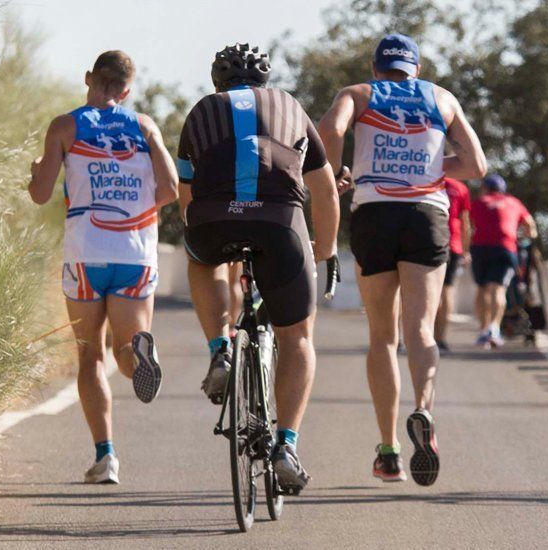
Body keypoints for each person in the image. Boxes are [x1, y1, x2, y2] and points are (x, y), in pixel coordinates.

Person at [318, 34, 486, 485]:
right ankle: (423, 410)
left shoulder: (359, 94)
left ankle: (389, 449)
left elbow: (329, 132)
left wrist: (335, 176)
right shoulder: (441, 97)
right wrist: (431, 166)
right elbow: (476, 164)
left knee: (381, 336)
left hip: (373, 212)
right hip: (427, 215)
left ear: (376, 67)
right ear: (416, 67)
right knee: (421, 330)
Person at [177, 44, 339, 493]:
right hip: (280, 226)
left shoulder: (201, 111)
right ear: (264, 81)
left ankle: (219, 349)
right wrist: (322, 252)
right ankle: (286, 444)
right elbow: (324, 192)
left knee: (200, 256)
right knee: (299, 337)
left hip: (214, 220)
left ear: (217, 82)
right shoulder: (291, 106)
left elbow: (185, 200)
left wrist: (205, 234)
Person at [28, 51, 179, 484]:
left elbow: (40, 195)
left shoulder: (66, 126)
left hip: (85, 253)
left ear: (89, 78)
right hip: (134, 254)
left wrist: (37, 171)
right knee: (124, 350)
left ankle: (106, 456)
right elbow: (168, 190)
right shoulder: (144, 125)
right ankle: (139, 355)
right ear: (127, 91)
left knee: (90, 354)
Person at [469, 174, 537, 348]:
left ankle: (484, 330)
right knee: (498, 289)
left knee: (482, 288)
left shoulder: (479, 202)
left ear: (485, 188)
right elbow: (530, 226)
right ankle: (494, 328)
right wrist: (524, 239)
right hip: (505, 248)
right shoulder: (513, 202)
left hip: (480, 248)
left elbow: (468, 224)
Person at [434, 177, 472, 353]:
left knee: (426, 291)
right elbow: (465, 223)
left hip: (431, 240)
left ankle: (421, 336)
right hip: (453, 244)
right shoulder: (460, 188)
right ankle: (440, 338)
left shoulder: (430, 179)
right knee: (447, 290)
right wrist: (465, 250)